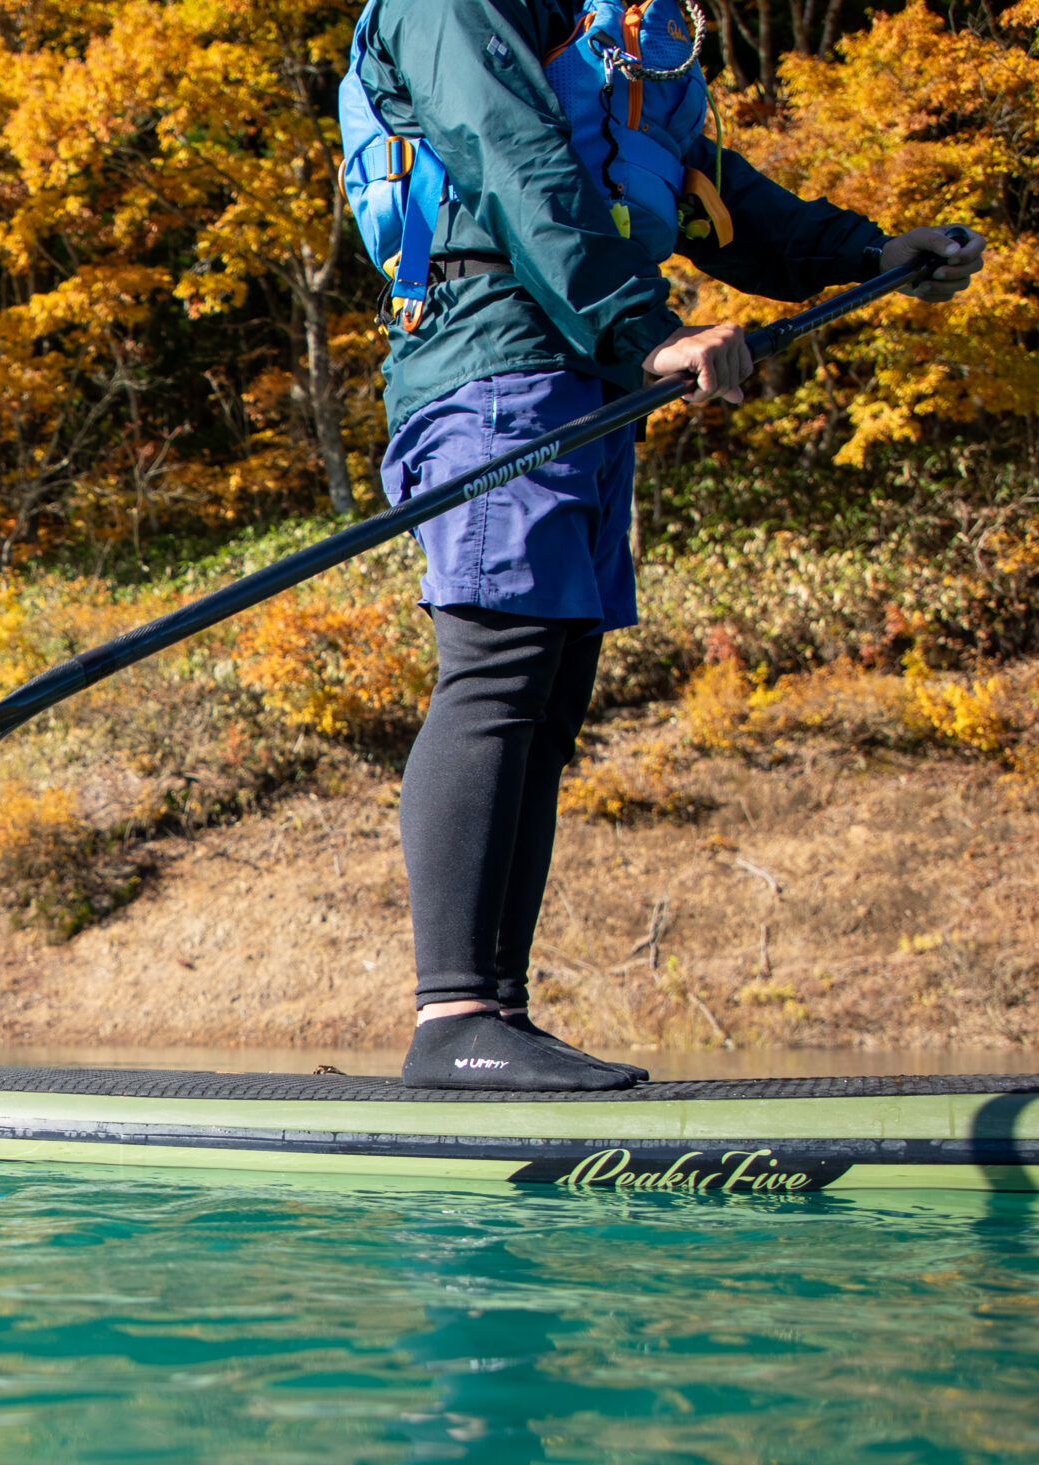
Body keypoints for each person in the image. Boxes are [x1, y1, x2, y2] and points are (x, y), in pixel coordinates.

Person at [341, 0, 984, 1091]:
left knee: (548, 697)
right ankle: (453, 1017)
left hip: (586, 378)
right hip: (492, 361)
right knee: (499, 672)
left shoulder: (620, 31)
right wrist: (647, 332)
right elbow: (510, 153)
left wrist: (867, 251)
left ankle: (494, 1017)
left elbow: (702, 190)